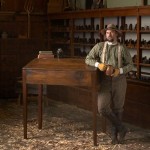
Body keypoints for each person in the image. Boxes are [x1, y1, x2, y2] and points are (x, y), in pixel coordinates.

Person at [85, 24, 133, 144]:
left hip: (119, 80)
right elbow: (88, 58)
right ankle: (122, 128)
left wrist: (119, 70)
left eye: (111, 32)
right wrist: (98, 65)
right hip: (105, 80)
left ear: (116, 34)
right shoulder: (100, 46)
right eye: (107, 32)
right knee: (102, 108)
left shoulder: (122, 48)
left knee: (118, 108)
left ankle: (115, 136)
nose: (109, 34)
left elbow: (130, 65)